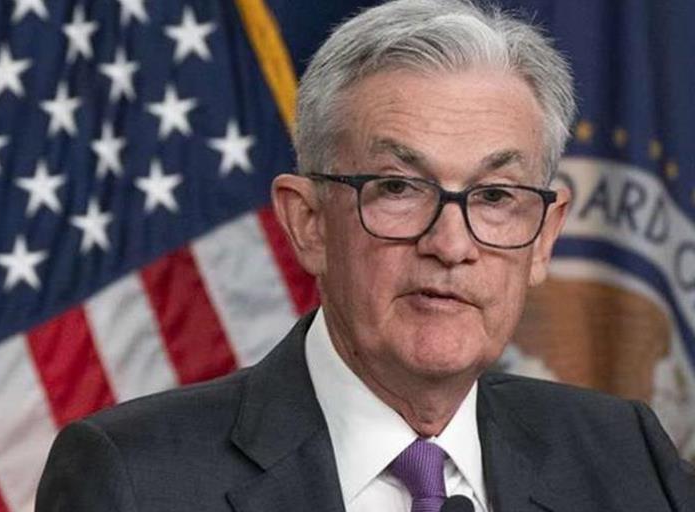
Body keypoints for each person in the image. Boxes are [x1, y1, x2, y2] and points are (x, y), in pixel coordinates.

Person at [36, 0, 695, 510]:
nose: (451, 245)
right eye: (399, 188)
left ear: (545, 237)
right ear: (308, 222)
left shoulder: (627, 457)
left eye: (495, 195)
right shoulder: (135, 479)